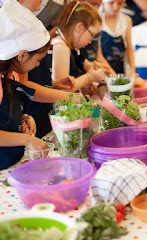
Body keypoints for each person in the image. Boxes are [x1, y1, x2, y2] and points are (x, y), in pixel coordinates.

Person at [0, 0, 76, 170]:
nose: (37, 66)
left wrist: (21, 119)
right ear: (22, 55)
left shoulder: (10, 73)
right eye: (38, 60)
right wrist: (27, 139)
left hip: (10, 164)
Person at [52, 0, 106, 95]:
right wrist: (89, 77)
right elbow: (61, 91)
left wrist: (92, 70)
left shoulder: (72, 49)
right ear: (79, 27)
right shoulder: (61, 47)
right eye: (91, 34)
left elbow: (84, 67)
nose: (90, 41)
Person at [100, 0, 136, 76]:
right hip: (102, 70)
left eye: (120, 3)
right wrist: (114, 76)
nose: (116, 7)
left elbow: (129, 47)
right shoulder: (97, 20)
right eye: (111, 3)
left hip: (121, 66)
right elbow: (98, 55)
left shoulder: (126, 20)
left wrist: (132, 71)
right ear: (103, 2)